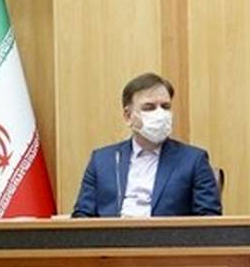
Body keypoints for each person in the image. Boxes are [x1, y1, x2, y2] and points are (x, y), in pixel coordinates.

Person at [72, 73, 222, 217]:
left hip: (166, 235)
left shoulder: (193, 160)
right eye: (149, 108)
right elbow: (82, 216)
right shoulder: (101, 161)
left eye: (165, 106)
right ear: (128, 116)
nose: (160, 114)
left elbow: (209, 220)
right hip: (113, 234)